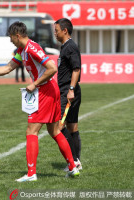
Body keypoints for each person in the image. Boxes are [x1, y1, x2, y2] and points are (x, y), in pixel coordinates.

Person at [0, 21, 80, 182]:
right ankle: (73, 167)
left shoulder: (32, 48)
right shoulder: (22, 50)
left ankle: (31, 174)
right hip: (49, 90)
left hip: (45, 91)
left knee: (31, 131)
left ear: (17, 36)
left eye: (11, 38)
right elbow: (7, 68)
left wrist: (34, 84)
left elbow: (52, 68)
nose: (10, 41)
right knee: (55, 131)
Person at [54, 18, 82, 171]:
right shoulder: (65, 47)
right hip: (68, 90)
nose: (55, 33)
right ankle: (76, 160)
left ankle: (73, 162)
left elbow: (76, 69)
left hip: (68, 91)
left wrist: (71, 89)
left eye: (56, 30)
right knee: (72, 126)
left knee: (59, 126)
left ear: (65, 31)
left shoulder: (70, 47)